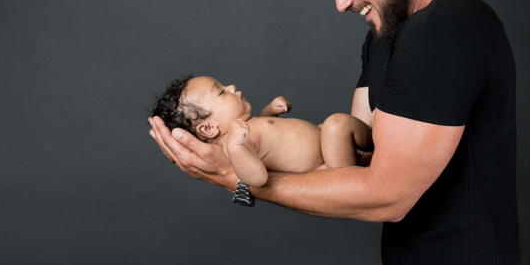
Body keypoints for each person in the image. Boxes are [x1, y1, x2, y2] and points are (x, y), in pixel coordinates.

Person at [149, 0, 522, 265]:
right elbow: (362, 157)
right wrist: (254, 147)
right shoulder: (386, 34)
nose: (340, 2)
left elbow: (386, 195)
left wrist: (235, 179)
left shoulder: (446, 30)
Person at [147, 75, 373, 203]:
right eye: (222, 92)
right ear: (209, 128)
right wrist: (236, 146)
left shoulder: (248, 126)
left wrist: (270, 111)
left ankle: (371, 152)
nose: (232, 86)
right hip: (325, 168)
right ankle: (374, 152)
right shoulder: (232, 143)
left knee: (331, 127)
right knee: (336, 124)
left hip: (325, 146)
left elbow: (268, 140)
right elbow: (256, 177)